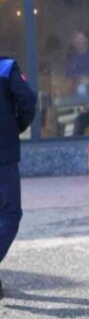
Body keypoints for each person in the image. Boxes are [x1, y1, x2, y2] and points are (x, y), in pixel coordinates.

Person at [0, 57, 37, 300]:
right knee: (9, 213)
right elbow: (27, 101)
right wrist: (16, 128)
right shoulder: (6, 67)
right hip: (3, 153)